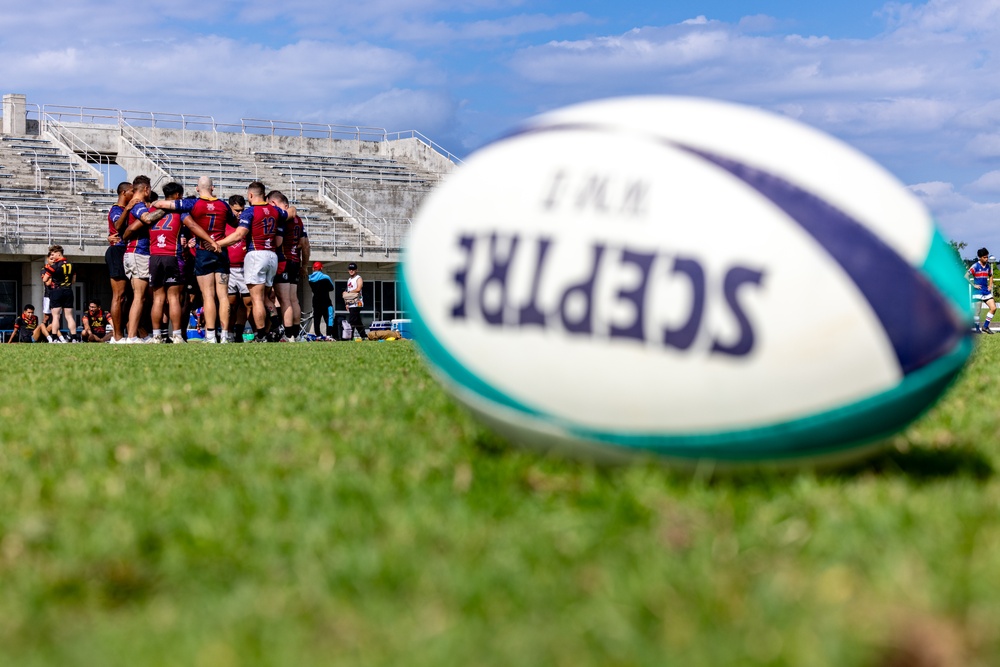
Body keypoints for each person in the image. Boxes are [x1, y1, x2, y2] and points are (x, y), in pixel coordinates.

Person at [125, 182, 218, 343]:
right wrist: (210, 240)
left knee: (158, 298)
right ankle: (177, 335)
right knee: (174, 297)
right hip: (173, 256)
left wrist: (123, 236)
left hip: (154, 257)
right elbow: (193, 226)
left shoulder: (151, 212)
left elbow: (133, 228)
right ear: (177, 196)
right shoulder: (179, 212)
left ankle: (156, 335)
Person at [152, 176, 234, 343]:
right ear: (213, 188)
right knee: (223, 296)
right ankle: (225, 335)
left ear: (197, 189)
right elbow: (234, 221)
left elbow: (160, 204)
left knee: (208, 296)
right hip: (221, 251)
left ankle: (210, 336)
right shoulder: (223, 205)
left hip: (204, 251)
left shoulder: (193, 204)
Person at [218, 181, 293, 343]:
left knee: (256, 298)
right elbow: (290, 213)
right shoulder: (275, 210)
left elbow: (239, 235)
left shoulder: (250, 212)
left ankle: (261, 335)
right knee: (266, 297)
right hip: (272, 255)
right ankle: (277, 325)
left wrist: (219, 244)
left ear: (251, 195)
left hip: (256, 254)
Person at [119, 175, 167, 344]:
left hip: (135, 252)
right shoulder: (138, 204)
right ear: (146, 189)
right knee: (139, 297)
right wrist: (166, 209)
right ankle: (131, 336)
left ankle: (135, 334)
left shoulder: (134, 204)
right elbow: (146, 219)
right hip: (138, 252)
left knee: (140, 297)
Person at [268, 190, 309, 341]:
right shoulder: (298, 219)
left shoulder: (283, 219)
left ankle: (288, 334)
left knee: (284, 300)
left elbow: (278, 241)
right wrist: (304, 265)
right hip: (295, 262)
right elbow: (304, 244)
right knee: (293, 299)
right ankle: (296, 335)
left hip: (283, 261)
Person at [105, 181, 133, 342]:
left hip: (126, 251)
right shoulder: (117, 209)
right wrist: (127, 209)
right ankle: (117, 335)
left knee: (130, 296)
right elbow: (117, 225)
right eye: (131, 191)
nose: (133, 194)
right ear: (124, 193)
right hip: (117, 251)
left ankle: (132, 333)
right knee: (119, 295)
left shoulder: (126, 210)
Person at [225, 195, 252, 342]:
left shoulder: (246, 223)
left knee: (248, 302)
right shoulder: (224, 224)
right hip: (229, 269)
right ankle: (228, 332)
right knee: (231, 303)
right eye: (236, 210)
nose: (239, 213)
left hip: (244, 268)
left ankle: (239, 332)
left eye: (242, 210)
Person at [43, 245, 77, 343]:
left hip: (57, 291)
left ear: (59, 253)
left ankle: (54, 338)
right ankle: (74, 337)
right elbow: (74, 280)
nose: (53, 257)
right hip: (68, 290)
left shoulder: (54, 266)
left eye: (54, 254)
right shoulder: (72, 265)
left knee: (56, 316)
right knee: (69, 316)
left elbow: (45, 279)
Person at [968, 247, 995, 334]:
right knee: (977, 311)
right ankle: (977, 329)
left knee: (993, 308)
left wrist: (990, 285)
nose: (986, 259)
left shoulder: (987, 266)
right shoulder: (975, 266)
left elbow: (991, 275)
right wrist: (973, 285)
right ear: (980, 257)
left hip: (985, 290)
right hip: (977, 291)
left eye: (987, 257)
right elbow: (966, 276)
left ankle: (985, 327)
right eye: (985, 257)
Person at [307, 261, 335, 338]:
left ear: (313, 269)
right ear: (321, 268)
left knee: (316, 318)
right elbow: (331, 288)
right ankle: (329, 334)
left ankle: (318, 335)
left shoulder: (310, 279)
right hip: (325, 300)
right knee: (329, 317)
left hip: (315, 300)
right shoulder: (325, 277)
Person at [344, 262, 367, 340]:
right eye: (350, 269)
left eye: (353, 269)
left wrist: (349, 293)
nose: (351, 271)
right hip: (351, 303)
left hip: (357, 303)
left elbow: (358, 289)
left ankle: (349, 337)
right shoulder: (349, 279)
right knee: (357, 321)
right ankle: (364, 336)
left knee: (352, 320)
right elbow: (348, 291)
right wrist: (347, 303)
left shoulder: (358, 278)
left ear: (356, 270)